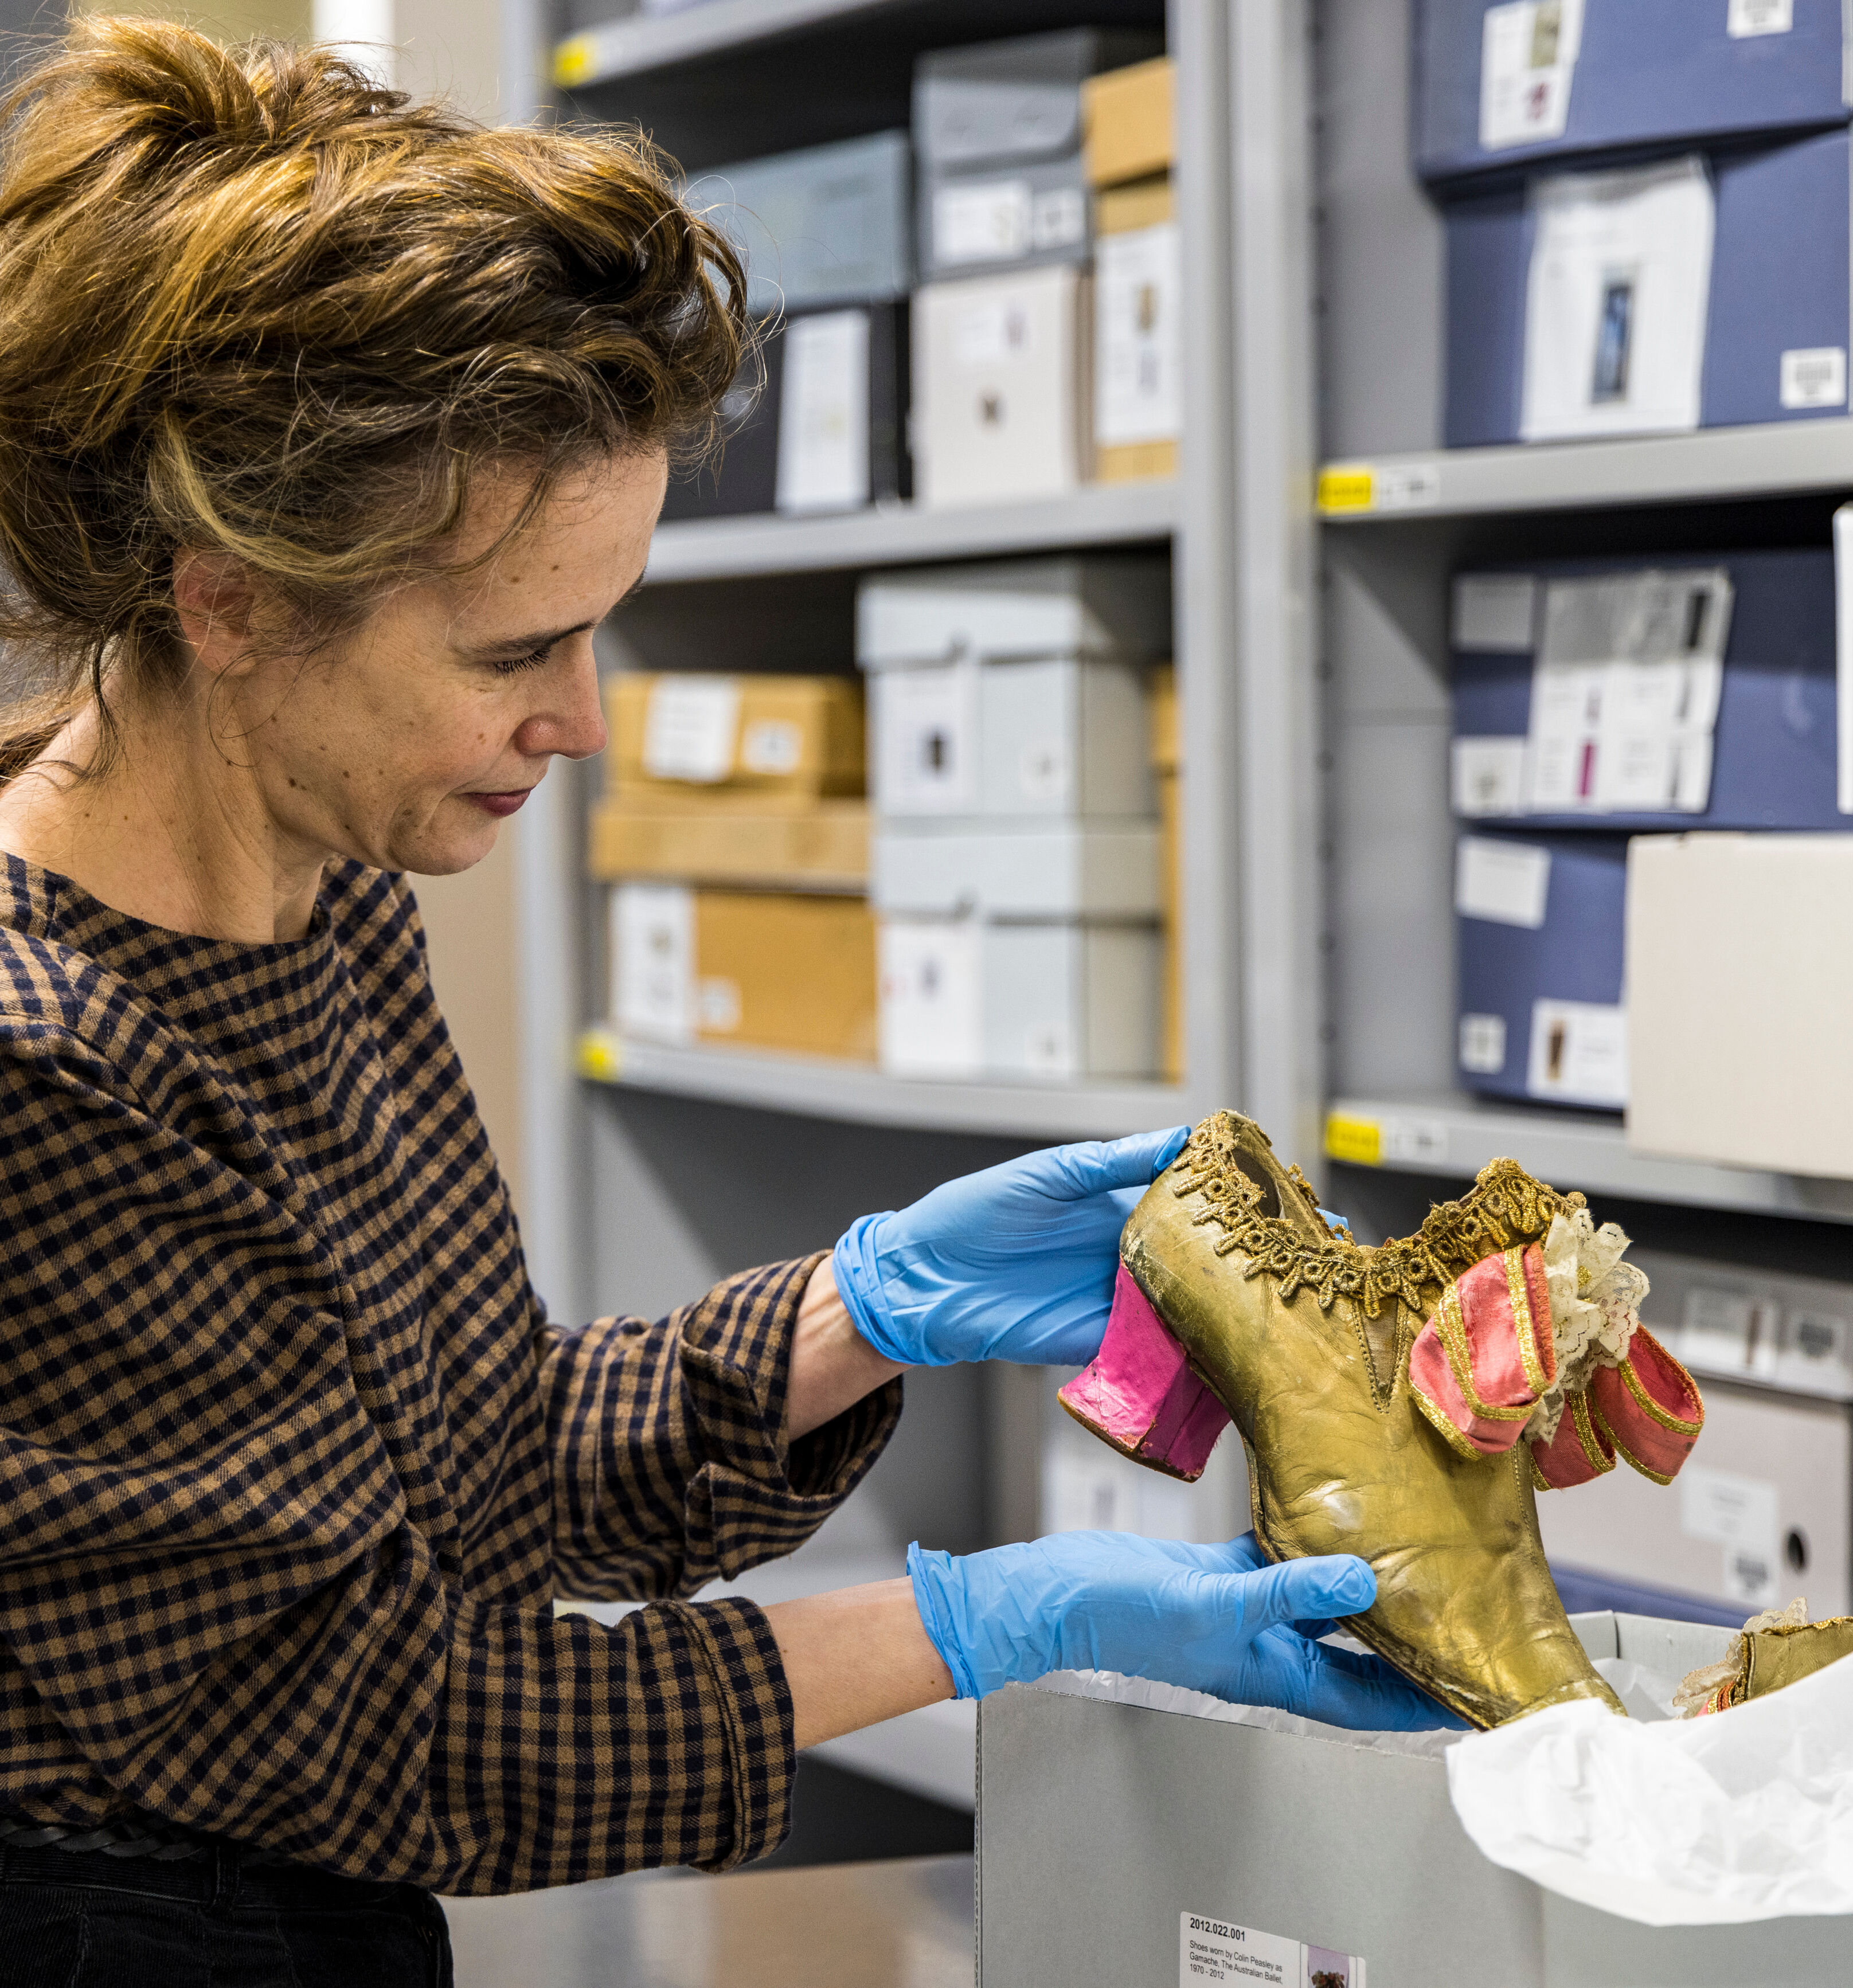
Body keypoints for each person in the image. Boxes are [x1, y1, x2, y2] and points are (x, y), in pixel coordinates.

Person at [0, 20, 1444, 1984]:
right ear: (231, 598)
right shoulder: (50, 1064)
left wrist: (855, 1310)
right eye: (518, 646)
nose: (580, 724)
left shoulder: (323, 897)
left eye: (601, 629)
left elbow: (475, 1470)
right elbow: (387, 1723)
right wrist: (978, 1625)